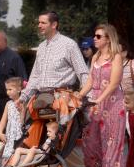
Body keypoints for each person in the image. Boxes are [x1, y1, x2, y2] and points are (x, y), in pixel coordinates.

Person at [20, 11, 88, 147]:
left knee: (58, 141)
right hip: (41, 99)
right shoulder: (41, 47)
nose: (39, 25)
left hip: (61, 99)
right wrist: (23, 97)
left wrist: (86, 97)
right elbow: (35, 76)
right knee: (30, 136)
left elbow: (83, 73)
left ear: (54, 24)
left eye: (43, 22)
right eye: (38, 22)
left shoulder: (69, 45)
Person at [78, 23, 126, 167]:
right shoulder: (96, 56)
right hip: (96, 105)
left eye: (98, 36)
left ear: (108, 39)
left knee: (112, 149)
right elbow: (91, 79)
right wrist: (80, 95)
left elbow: (114, 83)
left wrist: (100, 98)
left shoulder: (116, 57)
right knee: (91, 146)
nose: (95, 39)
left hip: (113, 105)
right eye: (95, 36)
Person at [0, 31, 28, 143]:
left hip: (11, 103)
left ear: (5, 41)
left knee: (11, 134)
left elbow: (23, 81)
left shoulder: (14, 58)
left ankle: (10, 158)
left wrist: (21, 102)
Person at [0, 77, 25, 163]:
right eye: (7, 89)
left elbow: (22, 121)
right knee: (3, 153)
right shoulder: (8, 104)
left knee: (16, 155)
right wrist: (0, 132)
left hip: (18, 135)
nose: (7, 92)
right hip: (9, 135)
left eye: (10, 89)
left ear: (19, 89)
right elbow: (3, 119)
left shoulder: (23, 103)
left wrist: (21, 111)